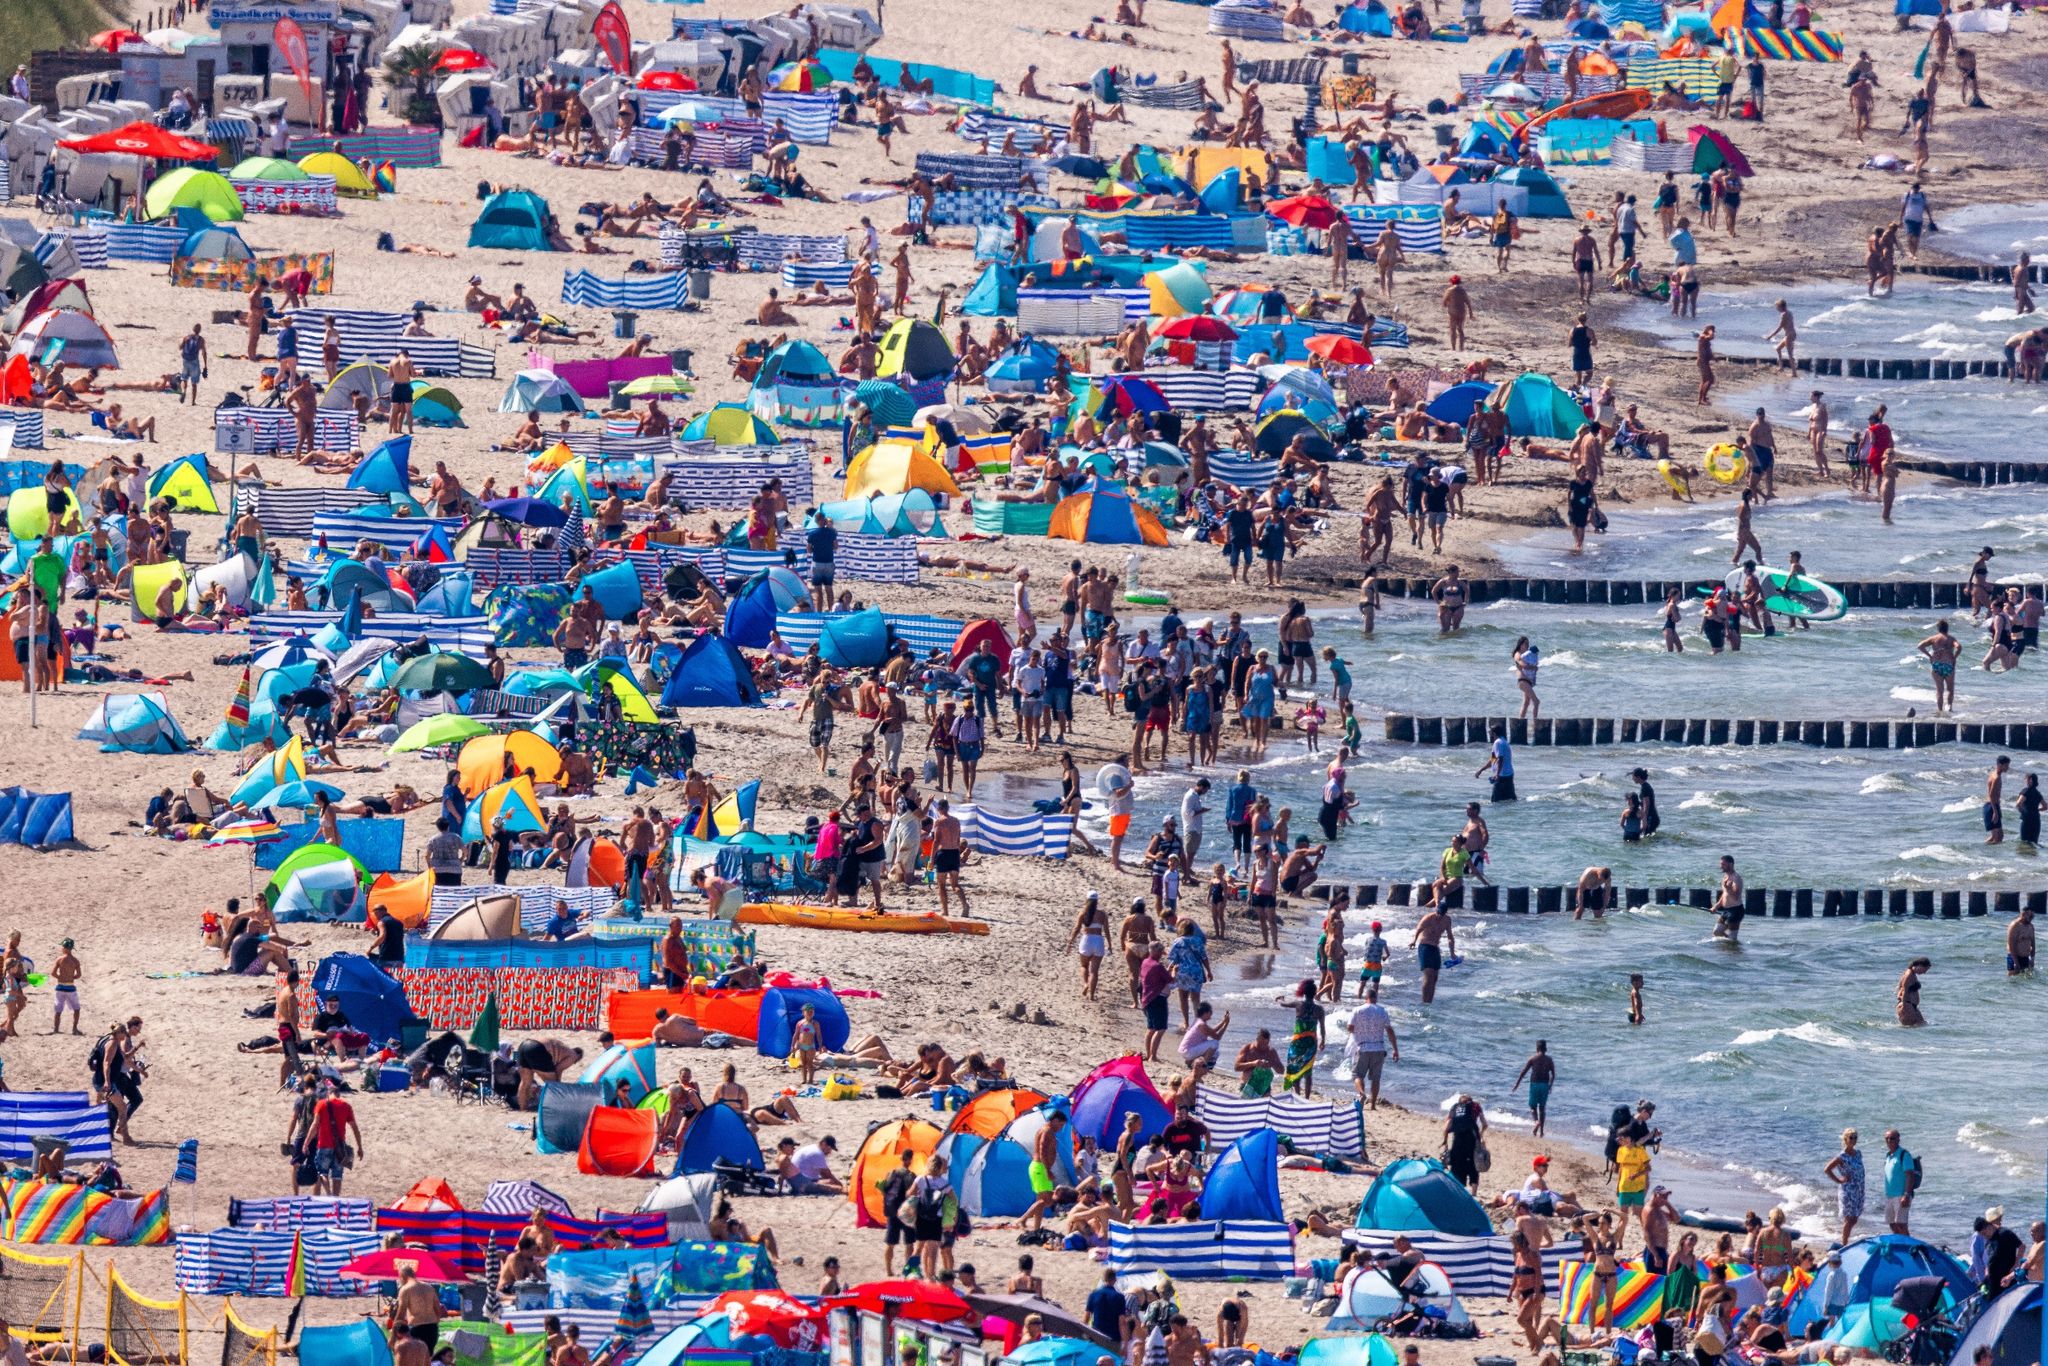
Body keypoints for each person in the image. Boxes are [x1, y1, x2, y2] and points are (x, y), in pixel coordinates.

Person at [1346, 985, 1395, 1108]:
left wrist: (1360, 1031)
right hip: (1379, 1048)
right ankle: (1373, 1105)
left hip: (1363, 1048)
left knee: (1357, 1075)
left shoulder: (1357, 1010)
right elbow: (1389, 1030)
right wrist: (1395, 1049)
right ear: (1375, 998)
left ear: (1366, 998)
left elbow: (1350, 1028)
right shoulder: (1382, 1011)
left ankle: (1362, 1094)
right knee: (1375, 1079)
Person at [1513, 1041, 1555, 1137]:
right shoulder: (1549, 1060)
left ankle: (1536, 1122)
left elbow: (1523, 1072)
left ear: (1537, 1049)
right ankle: (1541, 1132)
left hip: (1534, 1084)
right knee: (1542, 1108)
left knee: (1533, 1107)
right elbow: (1553, 1074)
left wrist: (1517, 1084)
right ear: (1545, 1049)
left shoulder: (1532, 1058)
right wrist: (1550, 1086)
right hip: (1545, 1085)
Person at [1881, 1128, 1917, 1235]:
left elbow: (1910, 1175)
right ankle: (1900, 1243)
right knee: (1891, 1223)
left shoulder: (1904, 1155)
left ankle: (1908, 1247)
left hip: (1901, 1195)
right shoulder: (1888, 1156)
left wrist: (1906, 1194)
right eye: (1886, 1138)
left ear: (1898, 1139)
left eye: (1892, 1138)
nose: (1889, 1141)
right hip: (1889, 1196)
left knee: (1901, 1224)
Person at [1895, 957, 1929, 1027]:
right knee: (1910, 1029)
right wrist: (1904, 1007)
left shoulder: (1912, 974)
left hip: (1911, 1005)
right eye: (1925, 969)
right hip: (1906, 1005)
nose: (1925, 972)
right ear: (1919, 965)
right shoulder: (1908, 975)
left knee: (1923, 1025)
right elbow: (1904, 990)